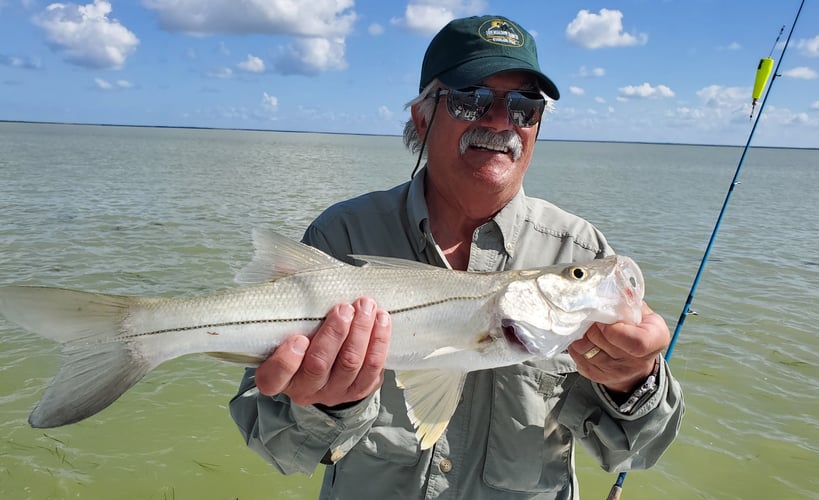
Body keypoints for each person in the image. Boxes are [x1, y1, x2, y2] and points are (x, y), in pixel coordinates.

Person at [230, 14, 684, 499]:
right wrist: (324, 408)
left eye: (525, 105)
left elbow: (637, 452)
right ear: (422, 116)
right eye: (471, 98)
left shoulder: (581, 249)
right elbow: (271, 440)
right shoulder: (341, 235)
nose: (499, 120)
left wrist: (633, 381)